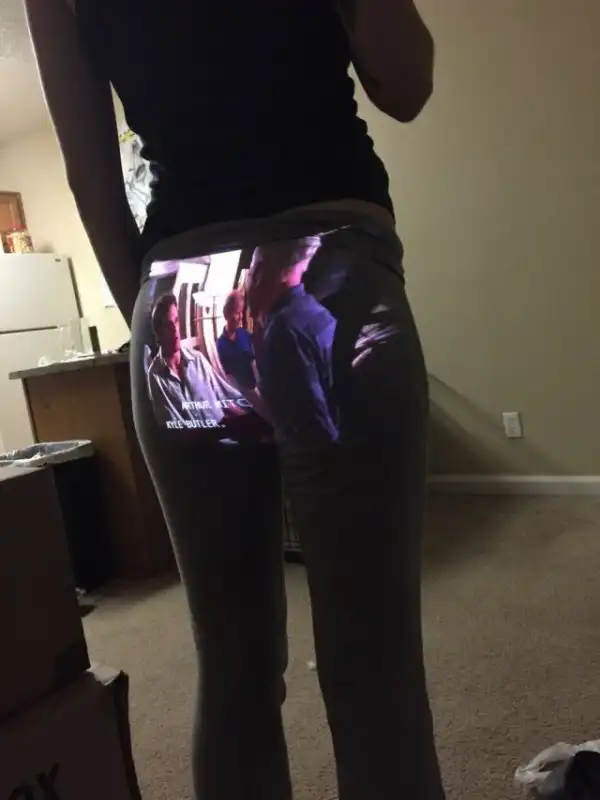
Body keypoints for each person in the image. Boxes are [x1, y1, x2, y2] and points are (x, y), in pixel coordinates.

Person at [26, 2, 444, 800]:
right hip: (328, 274)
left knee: (232, 669)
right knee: (374, 668)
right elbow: (406, 84)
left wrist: (157, 325)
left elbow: (90, 172)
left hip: (183, 296)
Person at [247, 237, 339, 447]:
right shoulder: (313, 312)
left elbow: (314, 439)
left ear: (259, 273)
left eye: (250, 273)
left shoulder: (283, 332)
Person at [147, 292, 244, 430]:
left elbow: (224, 396)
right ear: (158, 333)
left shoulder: (198, 359)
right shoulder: (156, 376)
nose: (175, 330)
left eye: (176, 321)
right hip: (200, 441)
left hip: (226, 433)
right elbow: (173, 429)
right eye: (168, 325)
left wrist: (246, 417)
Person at [216, 290, 257, 391]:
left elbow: (254, 363)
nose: (241, 317)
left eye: (241, 312)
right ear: (226, 314)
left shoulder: (245, 335)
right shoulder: (220, 345)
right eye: (237, 313)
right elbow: (227, 378)